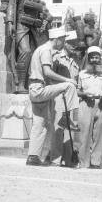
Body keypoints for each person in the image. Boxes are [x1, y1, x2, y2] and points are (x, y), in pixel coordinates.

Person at [26, 28, 80, 166]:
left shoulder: (44, 50)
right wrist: (67, 80)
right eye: (62, 39)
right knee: (70, 86)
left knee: (40, 124)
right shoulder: (46, 50)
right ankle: (67, 117)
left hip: (36, 88)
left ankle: (33, 157)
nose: (63, 42)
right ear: (56, 39)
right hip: (39, 88)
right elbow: (48, 72)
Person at [6, 0, 52, 93]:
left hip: (34, 28)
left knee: (35, 54)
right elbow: (11, 7)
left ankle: (29, 81)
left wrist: (46, 17)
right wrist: (9, 23)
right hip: (21, 26)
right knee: (25, 51)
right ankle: (20, 84)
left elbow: (42, 11)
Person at [49, 30, 80, 167]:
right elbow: (50, 77)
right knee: (57, 129)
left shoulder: (75, 63)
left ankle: (68, 160)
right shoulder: (56, 58)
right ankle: (55, 159)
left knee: (70, 130)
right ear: (65, 43)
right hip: (59, 98)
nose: (74, 46)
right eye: (71, 43)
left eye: (75, 44)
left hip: (72, 100)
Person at [78, 46, 102, 168]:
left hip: (101, 104)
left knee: (99, 134)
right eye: (92, 57)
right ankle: (83, 162)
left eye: (97, 57)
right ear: (89, 59)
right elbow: (77, 91)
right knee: (84, 134)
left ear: (100, 59)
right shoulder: (82, 74)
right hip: (86, 104)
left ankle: (96, 162)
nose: (95, 60)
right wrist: (85, 94)